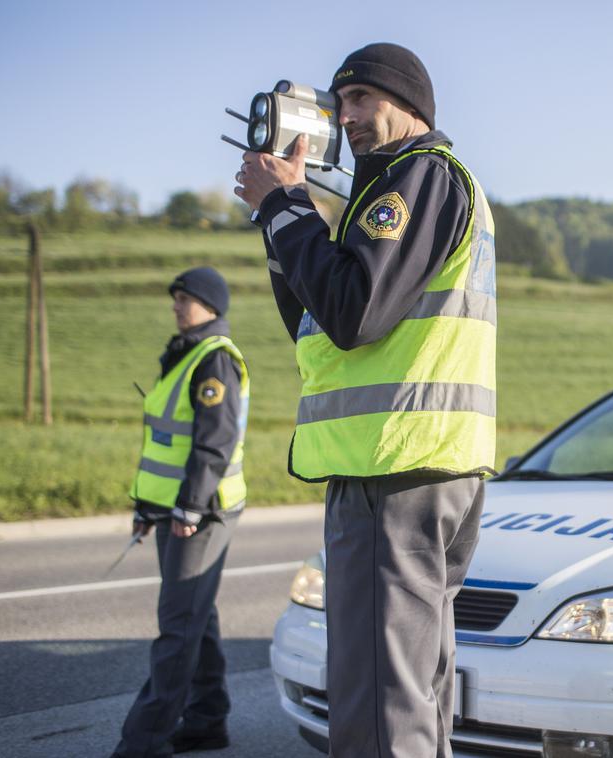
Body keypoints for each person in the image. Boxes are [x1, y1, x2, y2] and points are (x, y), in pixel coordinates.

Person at [235, 42, 496, 758]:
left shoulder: (414, 181)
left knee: (380, 704)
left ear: (410, 106)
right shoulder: (397, 192)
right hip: (420, 468)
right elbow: (318, 324)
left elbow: (355, 311)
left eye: (361, 100)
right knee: (413, 693)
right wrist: (281, 221)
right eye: (337, 102)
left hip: (394, 470)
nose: (344, 115)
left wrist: (287, 205)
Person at [112, 266, 250, 758]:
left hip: (203, 511)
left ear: (210, 306)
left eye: (183, 298)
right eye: (174, 297)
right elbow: (168, 443)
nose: (175, 305)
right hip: (176, 508)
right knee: (195, 616)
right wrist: (149, 507)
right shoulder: (185, 354)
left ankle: (143, 741)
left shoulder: (214, 361)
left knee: (178, 625)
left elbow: (215, 443)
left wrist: (190, 506)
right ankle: (208, 722)